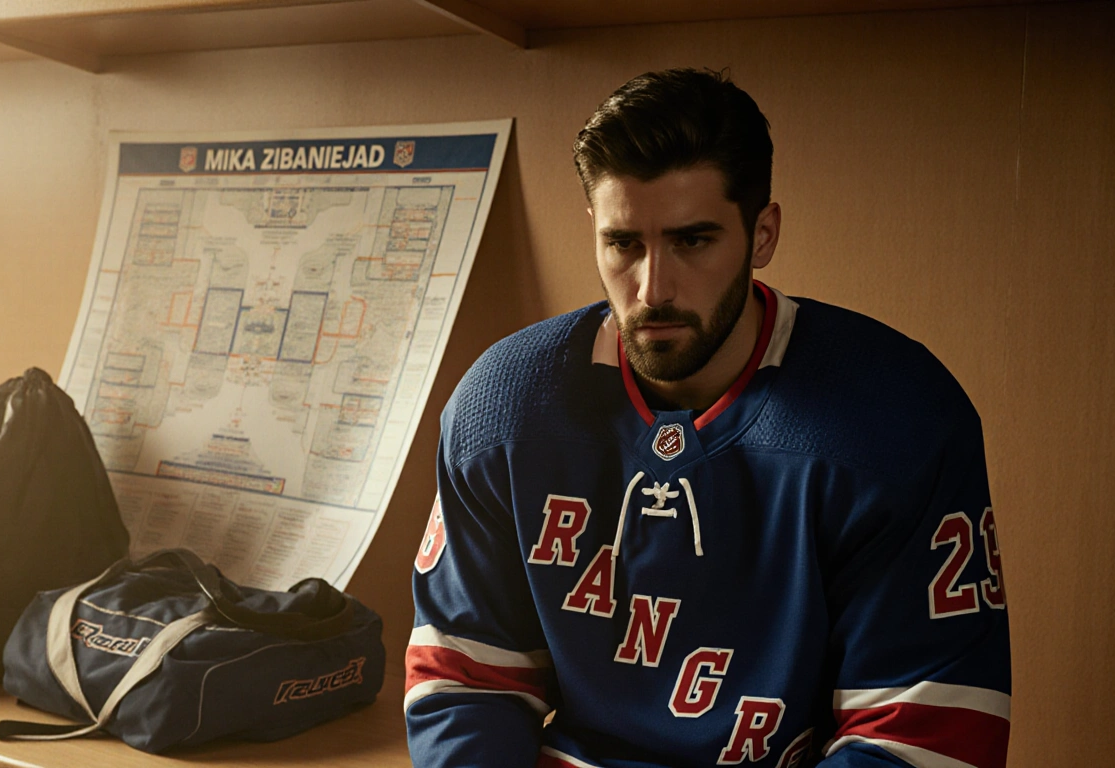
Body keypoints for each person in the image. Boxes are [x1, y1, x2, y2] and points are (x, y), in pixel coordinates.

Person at [403, 68, 1011, 768]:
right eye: (624, 243)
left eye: (693, 241)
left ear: (763, 234)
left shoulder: (900, 421)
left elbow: (921, 736)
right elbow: (467, 682)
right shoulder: (501, 410)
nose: (652, 288)